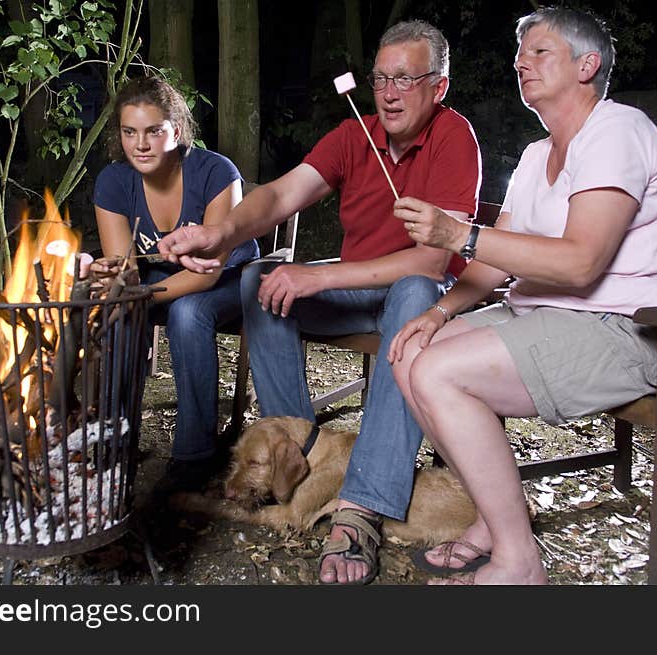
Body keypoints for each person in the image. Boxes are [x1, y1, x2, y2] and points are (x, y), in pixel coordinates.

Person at [158, 20, 481, 584]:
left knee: (413, 289)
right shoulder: (356, 131)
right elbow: (283, 193)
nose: (389, 91)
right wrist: (222, 234)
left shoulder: (456, 140)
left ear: (439, 86)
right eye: (381, 77)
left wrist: (320, 277)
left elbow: (431, 264)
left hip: (421, 296)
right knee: (263, 278)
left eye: (406, 79)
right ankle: (297, 455)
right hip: (358, 288)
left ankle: (362, 506)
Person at [386, 7, 657, 585]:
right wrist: (438, 310)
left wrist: (459, 233)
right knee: (409, 353)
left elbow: (582, 263)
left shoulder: (618, 130)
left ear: (588, 65)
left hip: (636, 328)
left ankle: (518, 561)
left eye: (539, 51)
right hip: (546, 315)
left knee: (439, 373)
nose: (521, 63)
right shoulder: (535, 156)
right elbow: (489, 262)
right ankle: (492, 519)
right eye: (519, 54)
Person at [93, 76, 259, 492]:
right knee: (118, 308)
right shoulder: (113, 182)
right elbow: (124, 271)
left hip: (227, 279)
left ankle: (195, 453)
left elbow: (211, 269)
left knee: (187, 313)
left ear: (177, 131)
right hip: (157, 281)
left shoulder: (216, 171)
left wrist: (143, 294)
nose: (141, 144)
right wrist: (118, 283)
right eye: (130, 132)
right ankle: (111, 438)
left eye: (153, 131)